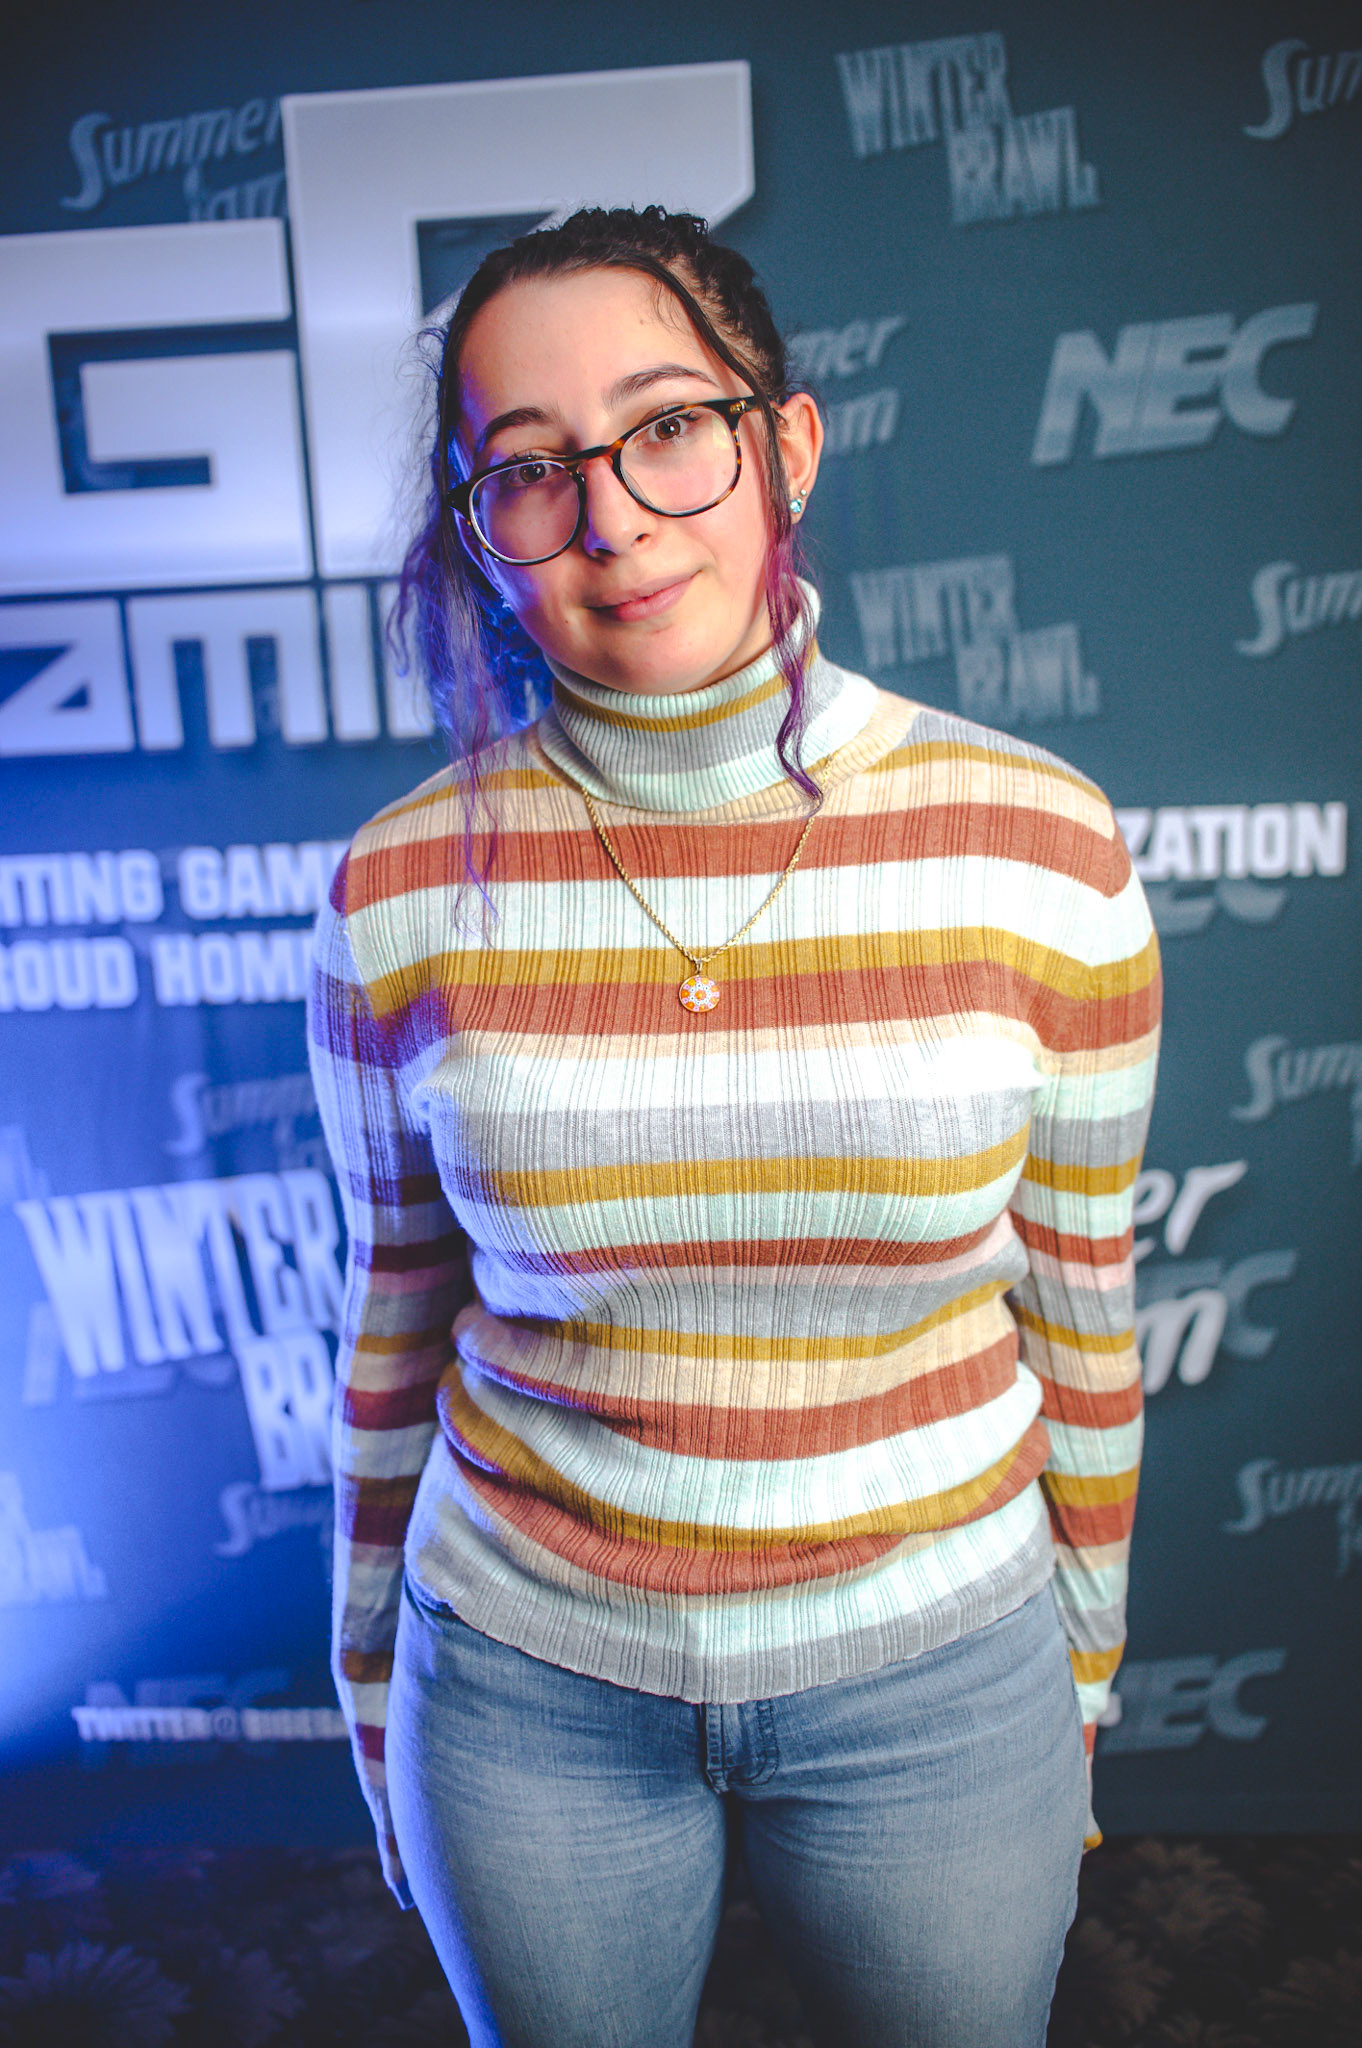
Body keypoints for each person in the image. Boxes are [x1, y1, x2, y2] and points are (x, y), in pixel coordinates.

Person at [308, 205, 1160, 2048]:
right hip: (523, 1681)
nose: (611, 516)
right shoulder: (397, 888)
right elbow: (393, 1327)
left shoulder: (1042, 845)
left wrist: (1078, 1672)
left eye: (667, 426)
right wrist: (371, 1685)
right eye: (528, 469)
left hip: (941, 1670)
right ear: (477, 529)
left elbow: (1079, 1317)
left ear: (785, 443)